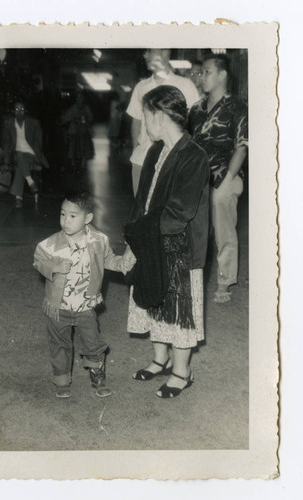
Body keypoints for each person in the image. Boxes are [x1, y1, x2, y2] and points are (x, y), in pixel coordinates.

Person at [124, 85, 209, 398]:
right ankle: (160, 359)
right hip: (150, 237)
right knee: (153, 299)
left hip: (179, 246)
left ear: (158, 116)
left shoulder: (194, 156)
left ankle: (182, 371)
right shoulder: (154, 151)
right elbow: (141, 200)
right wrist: (132, 235)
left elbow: (181, 210)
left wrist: (145, 235)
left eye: (146, 116)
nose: (145, 123)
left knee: (178, 309)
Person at [33, 190, 133, 399]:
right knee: (60, 344)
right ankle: (61, 380)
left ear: (87, 218)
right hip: (57, 306)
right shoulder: (50, 244)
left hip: (86, 304)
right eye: (62, 214)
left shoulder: (99, 240)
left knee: (92, 342)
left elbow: (108, 260)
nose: (65, 221)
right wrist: (54, 266)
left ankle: (97, 375)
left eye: (72, 215)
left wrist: (122, 263)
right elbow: (39, 261)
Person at [188, 53, 248, 303]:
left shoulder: (237, 107)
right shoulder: (196, 109)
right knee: (196, 232)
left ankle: (224, 281)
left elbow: (242, 147)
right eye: (201, 72)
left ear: (222, 75)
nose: (202, 77)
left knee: (224, 233)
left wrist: (226, 182)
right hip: (198, 178)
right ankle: (192, 279)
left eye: (208, 71)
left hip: (226, 176)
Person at [126, 49, 200, 196]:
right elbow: (136, 122)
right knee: (141, 213)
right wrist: (137, 150)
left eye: (149, 51)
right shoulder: (141, 87)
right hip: (142, 161)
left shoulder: (185, 85)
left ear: (165, 52)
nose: (145, 55)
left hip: (175, 164)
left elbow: (196, 123)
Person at [2, 101, 50, 208]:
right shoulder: (8, 123)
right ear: (13, 111)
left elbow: (39, 144)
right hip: (17, 155)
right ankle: (31, 184)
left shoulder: (34, 123)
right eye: (17, 109)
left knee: (20, 164)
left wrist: (37, 160)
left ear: (26, 111)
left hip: (31, 155)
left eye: (22, 109)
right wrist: (6, 162)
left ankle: (18, 198)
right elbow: (6, 144)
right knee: (19, 157)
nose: (19, 112)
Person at [63, 92, 94, 175]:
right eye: (78, 98)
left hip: (83, 130)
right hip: (74, 130)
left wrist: (86, 119)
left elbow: (90, 117)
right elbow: (67, 117)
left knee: (83, 146)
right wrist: (73, 120)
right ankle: (73, 163)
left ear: (83, 99)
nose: (79, 99)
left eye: (81, 98)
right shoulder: (73, 108)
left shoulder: (86, 108)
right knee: (73, 146)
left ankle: (83, 163)